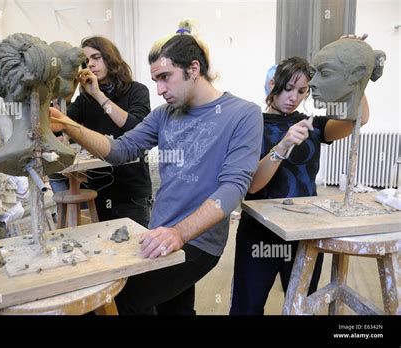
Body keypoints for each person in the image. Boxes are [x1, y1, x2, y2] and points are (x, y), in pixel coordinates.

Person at [49, 20, 263, 314]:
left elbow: (233, 189)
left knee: (118, 300)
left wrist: (179, 234)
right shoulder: (164, 115)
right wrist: (67, 125)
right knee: (173, 309)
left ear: (194, 68)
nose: (160, 90)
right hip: (158, 230)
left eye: (166, 77)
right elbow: (120, 150)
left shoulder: (243, 114)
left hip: (199, 241)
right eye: (156, 81)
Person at [230, 51, 370, 315]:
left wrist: (359, 68)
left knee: (301, 307)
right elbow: (253, 187)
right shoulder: (252, 124)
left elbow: (359, 119)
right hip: (261, 233)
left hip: (304, 234)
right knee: (247, 307)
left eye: (302, 91)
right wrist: (283, 145)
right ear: (273, 85)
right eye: (288, 88)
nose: (293, 97)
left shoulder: (312, 125)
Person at [52, 36, 153, 228]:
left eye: (96, 57)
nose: (90, 64)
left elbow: (136, 128)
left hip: (131, 190)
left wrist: (99, 95)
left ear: (110, 58)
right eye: (86, 61)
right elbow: (58, 126)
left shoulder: (136, 91)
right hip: (99, 189)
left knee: (135, 249)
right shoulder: (84, 101)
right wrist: (67, 96)